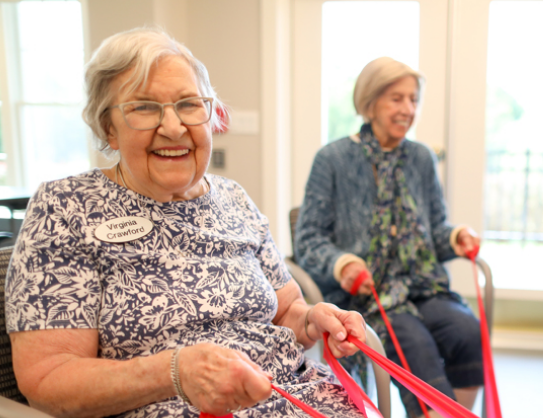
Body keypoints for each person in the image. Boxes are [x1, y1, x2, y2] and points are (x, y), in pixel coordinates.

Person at [5, 28, 368, 418]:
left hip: (302, 397)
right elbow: (47, 379)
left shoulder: (233, 199)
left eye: (189, 105)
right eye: (144, 107)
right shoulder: (67, 209)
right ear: (107, 127)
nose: (174, 127)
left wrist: (313, 319)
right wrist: (173, 372)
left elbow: (285, 312)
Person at [294, 57, 484, 418]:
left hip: (422, 287)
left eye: (413, 99)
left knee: (467, 332)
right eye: (396, 98)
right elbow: (308, 241)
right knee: (416, 346)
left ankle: (454, 413)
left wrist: (456, 237)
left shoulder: (422, 158)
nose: (408, 109)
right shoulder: (332, 159)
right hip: (368, 296)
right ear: (370, 102)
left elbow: (434, 232)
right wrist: (343, 264)